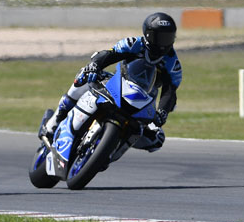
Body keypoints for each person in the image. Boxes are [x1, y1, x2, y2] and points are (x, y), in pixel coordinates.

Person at [41, 12, 181, 152]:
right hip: (119, 84)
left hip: (145, 99)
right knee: (83, 77)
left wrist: (162, 111)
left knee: (157, 139)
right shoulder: (134, 44)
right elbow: (110, 54)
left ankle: (114, 148)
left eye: (168, 38)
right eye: (160, 38)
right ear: (148, 35)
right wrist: (95, 65)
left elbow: (170, 91)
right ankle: (54, 121)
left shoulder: (173, 63)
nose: (163, 44)